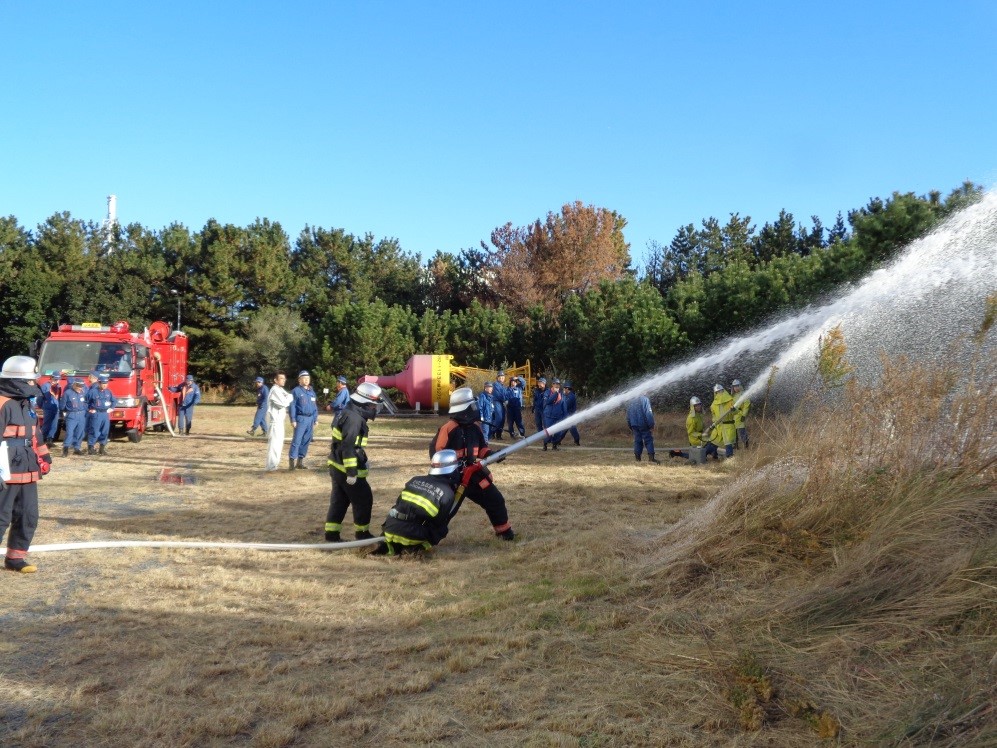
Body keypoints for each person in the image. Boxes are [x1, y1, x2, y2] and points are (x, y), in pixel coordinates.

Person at [430, 387, 515, 540]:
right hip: (452, 479)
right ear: (464, 409)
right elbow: (437, 454)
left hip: (473, 474)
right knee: (444, 510)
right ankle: (425, 537)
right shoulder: (448, 429)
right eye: (472, 406)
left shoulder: (475, 427)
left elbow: (482, 449)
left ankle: (504, 533)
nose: (475, 409)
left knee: (495, 500)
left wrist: (492, 455)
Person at [0, 355, 52, 573]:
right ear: (18, 381)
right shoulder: (3, 403)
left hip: (27, 467)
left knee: (28, 515)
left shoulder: (26, 403)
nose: (34, 384)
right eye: (31, 380)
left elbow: (35, 435)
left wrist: (44, 457)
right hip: (6, 469)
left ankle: (15, 559)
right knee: (1, 516)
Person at [372, 449, 467, 555]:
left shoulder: (414, 480)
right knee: (441, 529)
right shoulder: (447, 493)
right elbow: (439, 521)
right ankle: (416, 549)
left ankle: (390, 547)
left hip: (390, 527)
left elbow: (398, 503)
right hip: (412, 534)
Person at [325, 382, 383, 541]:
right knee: (364, 499)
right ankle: (362, 534)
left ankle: (331, 534)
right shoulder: (354, 419)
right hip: (346, 469)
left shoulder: (347, 411)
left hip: (336, 465)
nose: (374, 408)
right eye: (372, 405)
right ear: (364, 403)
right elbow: (348, 446)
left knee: (340, 500)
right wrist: (352, 472)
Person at [670, 396, 719, 460]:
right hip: (695, 439)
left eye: (699, 405)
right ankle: (678, 453)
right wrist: (701, 434)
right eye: (696, 405)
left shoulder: (699, 415)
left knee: (714, 443)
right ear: (693, 407)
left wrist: (709, 429)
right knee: (699, 455)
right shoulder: (691, 418)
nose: (699, 407)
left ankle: (714, 457)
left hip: (701, 437)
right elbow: (691, 433)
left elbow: (701, 428)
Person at [288, 370, 319, 469]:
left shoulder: (312, 392)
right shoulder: (296, 391)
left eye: (308, 378)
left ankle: (300, 462)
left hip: (310, 419)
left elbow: (314, 407)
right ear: (299, 380)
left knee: (306, 440)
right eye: (304, 378)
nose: (306, 380)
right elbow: (292, 406)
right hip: (300, 418)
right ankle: (292, 462)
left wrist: (315, 419)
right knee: (297, 440)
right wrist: (293, 419)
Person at [265, 372, 293, 472]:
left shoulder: (280, 389)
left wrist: (288, 397)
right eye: (281, 378)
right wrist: (288, 398)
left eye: (284, 379)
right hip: (275, 421)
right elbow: (283, 402)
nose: (283, 380)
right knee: (274, 444)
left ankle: (274, 465)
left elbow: (289, 396)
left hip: (280, 421)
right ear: (275, 380)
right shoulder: (275, 390)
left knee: (279, 444)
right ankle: (271, 466)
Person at [85, 373, 114, 455]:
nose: (104, 385)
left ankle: (102, 448)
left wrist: (111, 408)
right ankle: (91, 448)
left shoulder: (108, 392)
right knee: (94, 431)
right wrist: (89, 410)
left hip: (105, 414)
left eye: (106, 383)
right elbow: (85, 402)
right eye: (103, 383)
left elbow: (114, 400)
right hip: (96, 414)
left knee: (105, 431)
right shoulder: (92, 392)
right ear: (99, 383)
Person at [626, 394, 658, 463]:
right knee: (648, 440)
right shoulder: (645, 399)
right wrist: (651, 425)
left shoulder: (631, 401)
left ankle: (637, 459)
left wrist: (630, 425)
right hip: (643, 424)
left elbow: (628, 415)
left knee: (637, 440)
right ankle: (651, 458)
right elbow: (648, 413)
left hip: (633, 424)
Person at [60, 377, 88, 456]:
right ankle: (65, 449)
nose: (80, 388)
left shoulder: (83, 392)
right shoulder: (67, 393)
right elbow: (62, 405)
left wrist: (85, 409)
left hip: (81, 414)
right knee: (69, 432)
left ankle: (77, 448)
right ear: (74, 385)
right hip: (71, 414)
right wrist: (65, 412)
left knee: (80, 432)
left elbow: (86, 402)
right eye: (78, 386)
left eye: (81, 386)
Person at [710, 383, 736, 458]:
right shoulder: (713, 405)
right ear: (715, 393)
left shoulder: (730, 400)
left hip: (728, 425)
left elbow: (736, 412)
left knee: (728, 443)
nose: (720, 393)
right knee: (714, 442)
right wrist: (715, 423)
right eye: (718, 392)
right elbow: (713, 417)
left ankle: (730, 458)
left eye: (721, 391)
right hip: (719, 426)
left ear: (723, 391)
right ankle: (714, 456)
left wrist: (734, 410)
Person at [542, 378, 567, 451]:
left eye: (558, 384)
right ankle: (545, 445)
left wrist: (565, 417)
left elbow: (564, 405)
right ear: (552, 385)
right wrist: (555, 394)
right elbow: (548, 402)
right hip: (549, 416)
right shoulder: (547, 392)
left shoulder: (562, 394)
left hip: (558, 416)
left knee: (558, 432)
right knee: (548, 432)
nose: (557, 385)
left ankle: (554, 446)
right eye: (555, 384)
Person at [39, 382, 60, 448]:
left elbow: (58, 399)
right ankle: (40, 440)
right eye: (55, 379)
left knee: (54, 425)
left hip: (56, 409)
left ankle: (49, 440)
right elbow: (39, 399)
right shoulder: (46, 389)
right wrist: (42, 406)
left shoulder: (58, 388)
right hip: (48, 409)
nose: (56, 381)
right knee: (46, 425)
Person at [731, 379, 750, 449]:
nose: (736, 388)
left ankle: (746, 446)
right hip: (733, 417)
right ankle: (736, 447)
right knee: (734, 433)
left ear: (740, 386)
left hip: (740, 415)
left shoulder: (743, 394)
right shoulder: (732, 395)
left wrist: (744, 415)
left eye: (737, 386)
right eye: (734, 386)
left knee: (742, 432)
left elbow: (746, 405)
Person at [490, 371, 508, 441]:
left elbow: (506, 394)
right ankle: (491, 433)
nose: (501, 378)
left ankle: (498, 435)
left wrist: (507, 399)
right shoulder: (495, 384)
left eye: (503, 377)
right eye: (500, 377)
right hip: (496, 402)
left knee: (502, 419)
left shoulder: (503, 386)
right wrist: (505, 400)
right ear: (497, 378)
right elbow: (499, 395)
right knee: (498, 418)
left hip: (501, 403)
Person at [562, 380, 581, 446]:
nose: (563, 390)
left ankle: (577, 441)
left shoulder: (571, 396)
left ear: (567, 388)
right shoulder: (568, 395)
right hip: (568, 415)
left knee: (572, 428)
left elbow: (566, 405)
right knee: (564, 428)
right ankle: (557, 441)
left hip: (570, 415)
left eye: (564, 388)